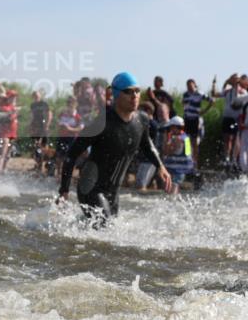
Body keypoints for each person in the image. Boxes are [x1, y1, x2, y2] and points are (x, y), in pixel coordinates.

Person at [58, 72, 171, 226]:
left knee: (107, 233)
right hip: (91, 189)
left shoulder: (142, 120)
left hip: (114, 192)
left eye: (137, 91)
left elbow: (147, 145)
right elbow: (72, 154)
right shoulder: (102, 122)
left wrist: (160, 166)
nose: (135, 95)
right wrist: (64, 190)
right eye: (128, 91)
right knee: (105, 228)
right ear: (116, 94)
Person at [181, 79, 213, 169]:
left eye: (191, 85)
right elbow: (183, 102)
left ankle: (195, 163)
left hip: (195, 119)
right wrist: (185, 109)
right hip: (187, 119)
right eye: (187, 85)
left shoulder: (199, 93)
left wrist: (204, 111)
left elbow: (211, 100)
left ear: (194, 85)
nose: (189, 87)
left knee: (194, 142)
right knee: (187, 140)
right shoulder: (185, 94)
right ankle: (188, 160)